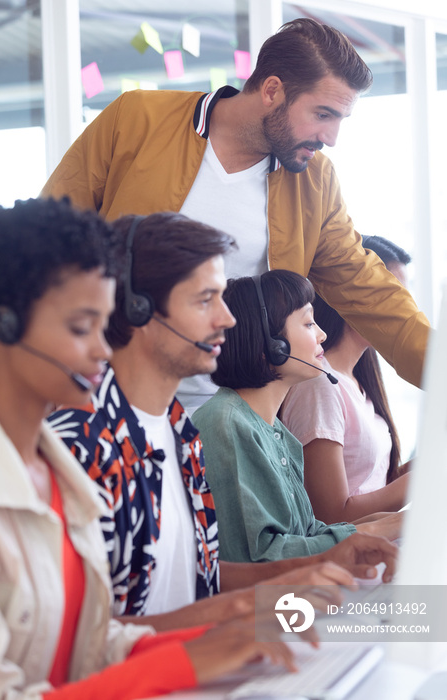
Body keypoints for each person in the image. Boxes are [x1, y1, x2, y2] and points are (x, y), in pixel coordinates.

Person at [0, 198, 308, 699]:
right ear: (1, 326)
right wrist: (184, 656)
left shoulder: (63, 468)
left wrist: (224, 628)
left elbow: (91, 645)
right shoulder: (77, 449)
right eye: (78, 327)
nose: (101, 347)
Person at [41, 18, 429, 413]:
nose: (331, 137)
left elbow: (371, 293)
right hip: (102, 402)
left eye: (340, 120)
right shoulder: (137, 119)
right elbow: (47, 236)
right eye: (323, 114)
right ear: (272, 90)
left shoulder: (315, 181)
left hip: (232, 422)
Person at [48, 213, 398, 632]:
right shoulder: (82, 444)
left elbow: (203, 576)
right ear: (138, 308)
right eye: (204, 300)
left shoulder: (181, 431)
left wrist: (322, 563)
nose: (228, 320)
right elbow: (86, 632)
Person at [192, 270, 402, 564]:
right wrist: (382, 528)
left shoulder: (274, 430)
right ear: (271, 343)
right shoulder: (226, 424)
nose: (322, 334)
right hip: (267, 608)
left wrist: (384, 527)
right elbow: (262, 559)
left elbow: (307, 534)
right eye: (308, 322)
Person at [280, 236, 412, 524]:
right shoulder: (319, 384)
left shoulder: (358, 381)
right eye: (395, 294)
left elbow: (376, 486)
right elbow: (331, 517)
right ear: (352, 293)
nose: (405, 310)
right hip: (349, 562)